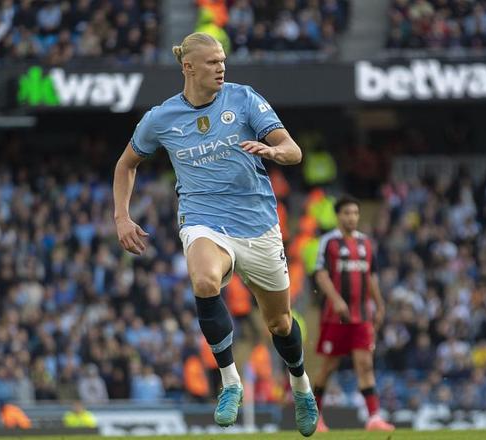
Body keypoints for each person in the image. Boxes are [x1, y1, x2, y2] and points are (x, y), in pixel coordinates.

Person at [113, 32, 318, 436]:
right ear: (188, 67)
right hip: (203, 219)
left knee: (279, 322)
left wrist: (274, 151)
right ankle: (230, 381)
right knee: (205, 280)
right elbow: (126, 164)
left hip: (257, 223)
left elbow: (293, 150)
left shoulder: (244, 99)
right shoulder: (161, 118)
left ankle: (301, 386)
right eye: (212, 62)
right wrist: (121, 217)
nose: (221, 68)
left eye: (223, 60)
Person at [311, 195, 395, 432]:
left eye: (355, 213)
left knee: (365, 364)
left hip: (362, 316)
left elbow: (371, 276)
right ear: (338, 216)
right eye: (347, 213)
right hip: (335, 317)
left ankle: (374, 418)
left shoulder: (366, 243)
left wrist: (380, 304)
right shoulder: (328, 242)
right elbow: (320, 275)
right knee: (329, 366)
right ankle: (314, 417)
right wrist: (336, 300)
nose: (352, 217)